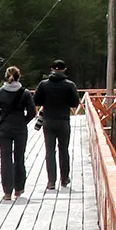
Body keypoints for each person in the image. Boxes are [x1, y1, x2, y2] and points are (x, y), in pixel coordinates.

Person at [32, 59, 81, 192]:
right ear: (64, 70)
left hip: (48, 120)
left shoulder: (43, 84)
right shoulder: (70, 85)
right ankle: (64, 179)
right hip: (63, 120)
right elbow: (75, 103)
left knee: (50, 151)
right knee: (63, 150)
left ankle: (51, 181)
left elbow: (36, 100)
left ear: (51, 69)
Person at [0, 65, 37, 201]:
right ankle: (19, 188)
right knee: (19, 158)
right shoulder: (25, 93)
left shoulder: (0, 92)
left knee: (5, 160)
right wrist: (23, 121)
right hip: (20, 128)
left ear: (6, 77)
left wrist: (2, 115)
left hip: (5, 128)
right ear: (19, 76)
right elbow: (32, 112)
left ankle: (7, 192)